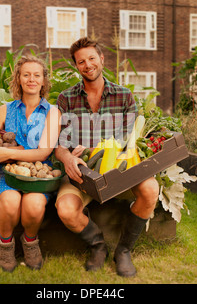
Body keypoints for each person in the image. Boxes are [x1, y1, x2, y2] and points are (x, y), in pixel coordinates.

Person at [55, 37, 159, 277]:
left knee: (150, 190)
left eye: (92, 58)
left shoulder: (124, 96)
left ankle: (123, 250)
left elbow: (130, 139)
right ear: (76, 66)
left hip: (120, 172)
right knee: (66, 210)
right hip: (82, 174)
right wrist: (68, 158)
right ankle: (98, 245)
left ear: (101, 59)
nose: (88, 64)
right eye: (81, 61)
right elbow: (57, 144)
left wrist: (100, 151)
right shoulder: (66, 99)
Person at [0, 56, 60, 272]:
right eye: (26, 75)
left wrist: (9, 152)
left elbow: (44, 151)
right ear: (19, 79)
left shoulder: (52, 112)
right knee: (11, 202)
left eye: (37, 75)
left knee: (33, 206)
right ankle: (5, 246)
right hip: (5, 172)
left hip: (38, 174)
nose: (31, 79)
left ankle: (30, 242)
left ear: (44, 81)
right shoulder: (5, 110)